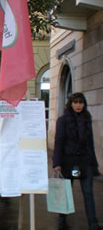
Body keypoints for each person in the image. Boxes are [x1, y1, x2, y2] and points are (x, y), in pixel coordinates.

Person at [53, 92, 102, 230]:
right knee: (66, 192)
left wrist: (94, 164)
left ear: (84, 104)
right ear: (70, 104)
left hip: (85, 161)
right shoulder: (63, 120)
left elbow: (90, 143)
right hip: (68, 162)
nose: (78, 105)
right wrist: (57, 163)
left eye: (81, 102)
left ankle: (93, 223)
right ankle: (62, 220)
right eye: (75, 102)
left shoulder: (87, 119)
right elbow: (59, 142)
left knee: (88, 192)